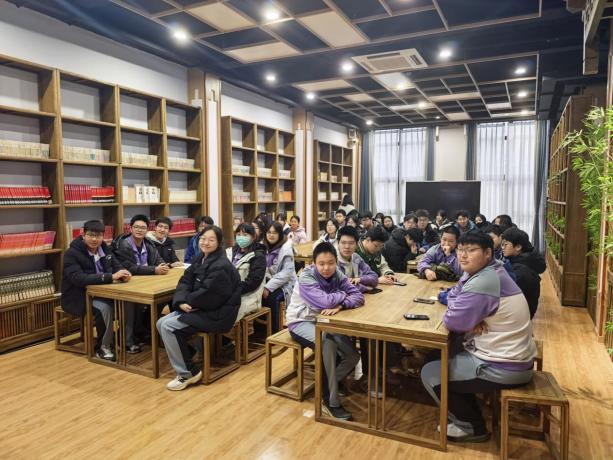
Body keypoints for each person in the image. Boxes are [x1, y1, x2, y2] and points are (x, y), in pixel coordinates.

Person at [421, 231, 536, 442]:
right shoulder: (487, 271)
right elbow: (453, 294)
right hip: (510, 356)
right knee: (436, 356)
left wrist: (466, 315)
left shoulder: (485, 280)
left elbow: (453, 322)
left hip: (504, 366)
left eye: (471, 250)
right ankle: (469, 413)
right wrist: (468, 314)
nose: (463, 255)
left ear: (487, 253)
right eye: (460, 250)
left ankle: (471, 427)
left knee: (430, 372)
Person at [286, 242, 365, 420]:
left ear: (336, 262)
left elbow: (358, 296)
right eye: (321, 264)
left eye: (330, 263)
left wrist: (341, 305)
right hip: (300, 322)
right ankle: (330, 401)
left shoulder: (337, 274)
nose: (326, 268)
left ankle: (329, 383)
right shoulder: (306, 277)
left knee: (352, 356)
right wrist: (342, 296)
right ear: (313, 263)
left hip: (326, 321)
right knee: (326, 343)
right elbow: (325, 302)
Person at [157, 225, 241, 391]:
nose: (205, 243)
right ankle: (186, 354)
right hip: (201, 307)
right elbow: (185, 281)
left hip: (218, 313)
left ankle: (188, 373)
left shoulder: (221, 265)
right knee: (160, 322)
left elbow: (209, 294)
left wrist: (187, 302)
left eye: (211, 240)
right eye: (203, 238)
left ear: (219, 243)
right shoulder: (200, 257)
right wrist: (181, 301)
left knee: (168, 326)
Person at [62, 220, 132, 361]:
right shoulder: (71, 253)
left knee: (130, 302)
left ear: (102, 236)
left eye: (98, 236)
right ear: (83, 234)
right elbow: (78, 279)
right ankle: (104, 347)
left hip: (105, 292)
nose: (94, 239)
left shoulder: (105, 248)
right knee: (105, 308)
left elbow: (117, 266)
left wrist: (124, 272)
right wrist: (110, 277)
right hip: (80, 296)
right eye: (91, 235)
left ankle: (126, 340)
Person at [113, 214, 169, 353]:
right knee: (131, 303)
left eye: (143, 228)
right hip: (126, 285)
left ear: (147, 230)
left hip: (145, 284)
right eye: (136, 227)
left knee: (164, 298)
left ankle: (142, 331)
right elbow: (130, 267)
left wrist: (163, 265)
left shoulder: (148, 244)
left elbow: (159, 260)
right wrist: (154, 270)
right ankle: (127, 340)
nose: (139, 230)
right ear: (130, 228)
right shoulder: (122, 245)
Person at [501, 227, 546, 319]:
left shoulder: (521, 270)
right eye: (502, 244)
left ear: (518, 247)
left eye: (505, 244)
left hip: (519, 316)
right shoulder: (524, 260)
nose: (502, 248)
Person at [227, 223, 267, 321]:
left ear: (253, 237)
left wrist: (233, 290)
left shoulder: (258, 256)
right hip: (228, 291)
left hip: (247, 296)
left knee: (225, 313)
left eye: (245, 235)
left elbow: (253, 282)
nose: (241, 237)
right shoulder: (229, 252)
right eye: (238, 234)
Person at [262, 222, 297, 332]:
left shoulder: (286, 249)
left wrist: (268, 287)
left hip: (285, 285)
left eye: (274, 233)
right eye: (269, 232)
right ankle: (261, 330)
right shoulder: (263, 247)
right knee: (257, 295)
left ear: (280, 234)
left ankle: (274, 330)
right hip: (268, 281)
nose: (271, 235)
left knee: (271, 297)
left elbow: (286, 273)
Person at [336, 225, 378, 292]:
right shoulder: (333, 260)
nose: (347, 247)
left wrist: (360, 279)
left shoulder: (356, 257)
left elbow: (374, 277)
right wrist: (366, 288)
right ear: (337, 243)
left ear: (356, 245)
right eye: (343, 243)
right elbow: (341, 286)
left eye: (351, 243)